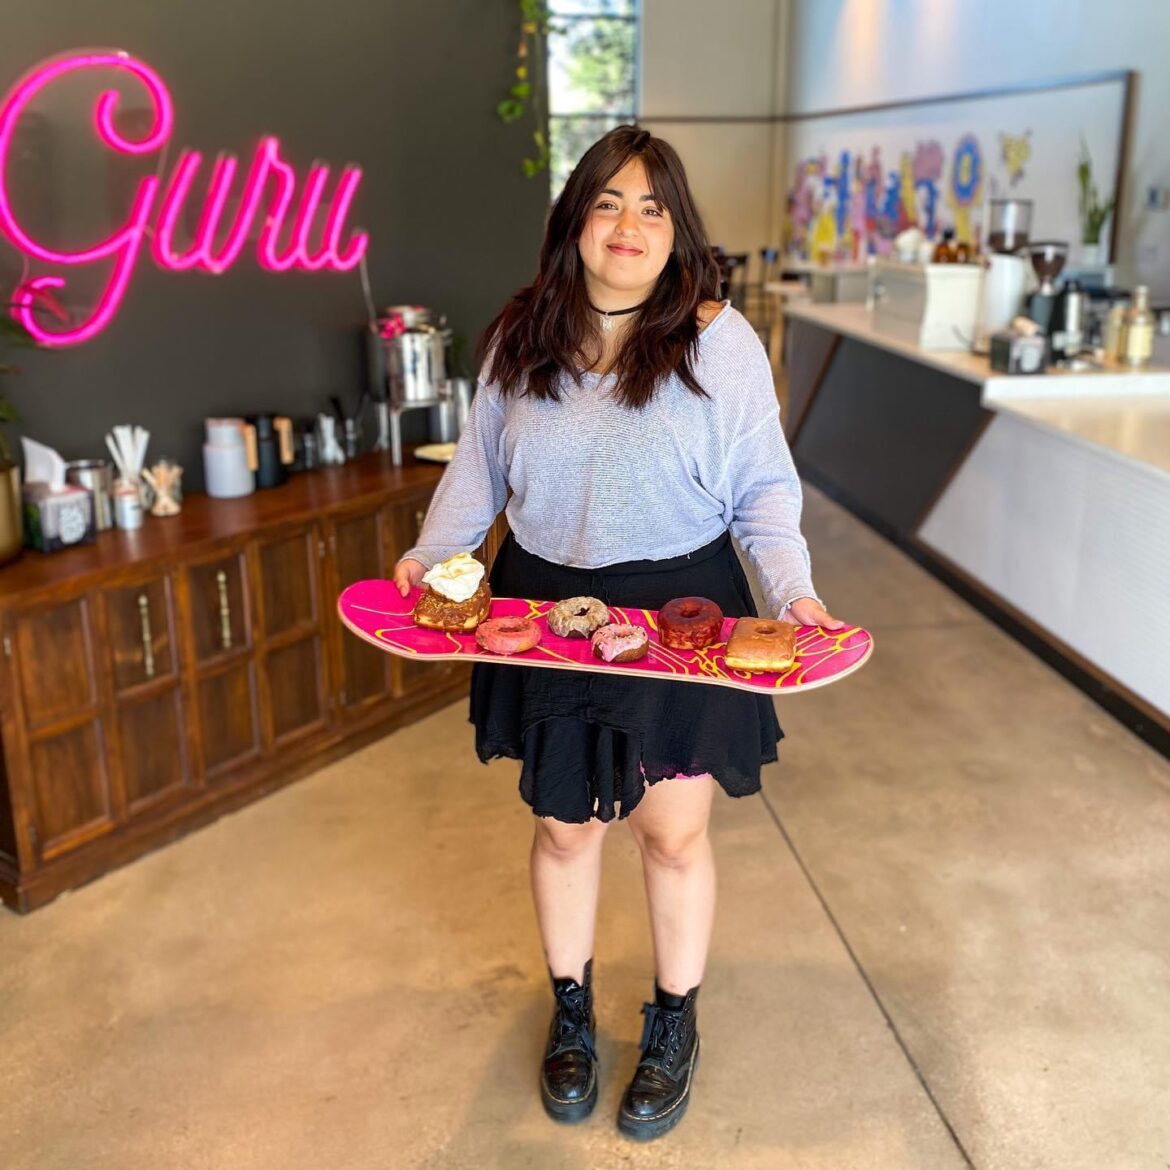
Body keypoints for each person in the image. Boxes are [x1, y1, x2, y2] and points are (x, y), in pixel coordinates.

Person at [394, 125, 843, 1141]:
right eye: (608, 201)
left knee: (671, 835)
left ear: (678, 228)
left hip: (682, 607)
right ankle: (571, 1011)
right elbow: (480, 469)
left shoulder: (717, 342)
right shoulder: (520, 336)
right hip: (543, 605)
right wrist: (434, 554)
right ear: (575, 222)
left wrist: (795, 593)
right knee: (563, 826)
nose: (629, 224)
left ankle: (675, 1022)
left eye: (652, 205)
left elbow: (763, 493)